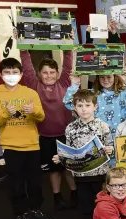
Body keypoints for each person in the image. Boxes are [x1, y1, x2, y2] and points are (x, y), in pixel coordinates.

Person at [0, 58, 48, 219]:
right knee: (16, 182)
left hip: (31, 144)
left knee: (35, 181)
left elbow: (41, 116)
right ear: (1, 75)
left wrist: (33, 111)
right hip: (10, 146)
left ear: (21, 74)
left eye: (15, 72)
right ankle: (20, 213)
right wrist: (6, 113)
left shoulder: (30, 93)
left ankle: (36, 208)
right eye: (7, 72)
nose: (11, 75)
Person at [52, 89, 113, 219]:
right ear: (74, 107)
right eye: (80, 105)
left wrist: (109, 149)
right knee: (86, 208)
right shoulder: (70, 128)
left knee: (104, 207)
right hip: (81, 175)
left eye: (88, 105)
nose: (84, 109)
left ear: (95, 106)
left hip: (100, 174)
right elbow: (69, 151)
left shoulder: (102, 125)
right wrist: (61, 158)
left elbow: (110, 147)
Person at [20, 48, 76, 210]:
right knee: (54, 169)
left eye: (52, 72)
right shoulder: (33, 85)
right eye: (45, 72)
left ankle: (74, 193)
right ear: (39, 74)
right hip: (46, 137)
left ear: (58, 74)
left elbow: (67, 66)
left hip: (67, 135)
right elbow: (27, 68)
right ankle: (57, 197)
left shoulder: (64, 83)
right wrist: (24, 51)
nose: (49, 75)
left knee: (70, 167)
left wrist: (67, 48)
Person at [64, 71, 126, 166]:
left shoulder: (124, 92)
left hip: (123, 139)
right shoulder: (92, 94)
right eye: (102, 78)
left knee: (122, 175)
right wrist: (74, 84)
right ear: (97, 78)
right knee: (104, 175)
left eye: (109, 77)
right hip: (101, 143)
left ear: (115, 76)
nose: (106, 80)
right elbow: (69, 103)